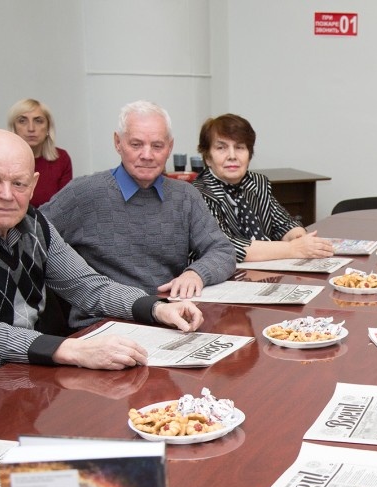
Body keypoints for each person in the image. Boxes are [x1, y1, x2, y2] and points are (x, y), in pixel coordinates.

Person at [0, 129, 204, 389]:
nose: (6, 195)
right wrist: (75, 349)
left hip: (22, 376)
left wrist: (156, 308)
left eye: (19, 183)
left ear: (34, 183)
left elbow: (88, 287)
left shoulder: (33, 224)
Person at [44, 101, 235, 326]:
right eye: (136, 144)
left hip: (171, 315)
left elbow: (222, 250)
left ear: (170, 147)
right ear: (118, 142)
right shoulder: (84, 194)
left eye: (157, 146)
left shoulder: (185, 195)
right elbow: (33, 237)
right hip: (105, 323)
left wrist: (197, 273)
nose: (147, 155)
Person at [192, 113, 334, 262]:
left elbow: (284, 223)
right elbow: (226, 247)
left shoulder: (257, 183)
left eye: (240, 147)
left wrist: (301, 238)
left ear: (249, 154)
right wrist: (293, 249)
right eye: (221, 148)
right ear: (208, 157)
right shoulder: (198, 194)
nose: (232, 156)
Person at [7, 98, 72, 207]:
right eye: (22, 121)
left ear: (48, 127)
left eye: (38, 121)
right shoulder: (2, 159)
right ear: (14, 127)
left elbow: (65, 207)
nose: (31, 128)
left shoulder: (61, 159)